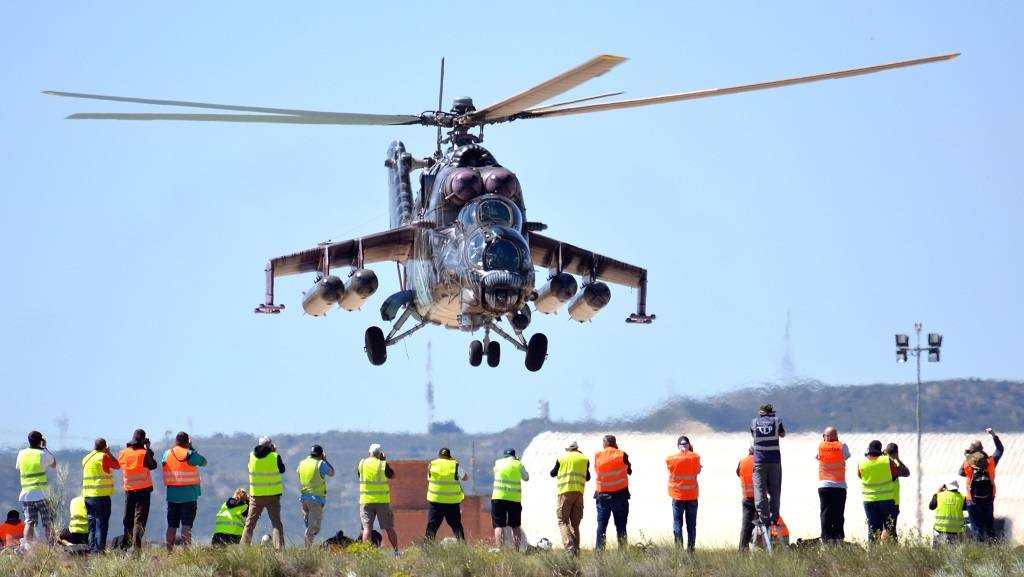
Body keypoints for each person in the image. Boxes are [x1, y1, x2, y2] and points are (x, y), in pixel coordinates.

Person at [162, 431, 207, 552]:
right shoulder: (190, 454)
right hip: (189, 496)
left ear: (176, 441)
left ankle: (169, 552)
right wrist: (190, 448)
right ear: (187, 442)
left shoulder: (167, 454)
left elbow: (164, 463)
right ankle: (187, 552)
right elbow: (204, 462)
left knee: (171, 525)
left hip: (172, 496)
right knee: (186, 525)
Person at [958, 427, 1004, 542]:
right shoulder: (991, 461)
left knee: (976, 529)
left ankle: (979, 550)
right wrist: (993, 435)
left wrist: (967, 456)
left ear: (972, 450)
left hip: (972, 500)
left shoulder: (967, 463)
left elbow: (960, 473)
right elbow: (1000, 449)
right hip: (988, 498)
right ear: (982, 449)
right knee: (989, 528)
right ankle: (994, 548)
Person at [241, 436, 286, 550]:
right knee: (276, 523)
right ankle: (279, 549)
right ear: (270, 446)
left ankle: (243, 549)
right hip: (272, 496)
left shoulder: (251, 456)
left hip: (256, 497)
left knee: (249, 524)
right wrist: (274, 452)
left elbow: (249, 468)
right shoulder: (275, 456)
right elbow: (282, 469)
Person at [117, 428, 158, 551]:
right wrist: (148, 449)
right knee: (139, 519)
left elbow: (121, 464)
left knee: (128, 517)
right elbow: (153, 465)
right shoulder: (144, 453)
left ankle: (125, 545)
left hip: (129, 490)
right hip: (143, 490)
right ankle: (136, 548)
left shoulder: (123, 453)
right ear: (143, 440)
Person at [750, 403, 785, 540]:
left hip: (759, 461)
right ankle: (774, 518)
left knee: (760, 490)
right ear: (771, 412)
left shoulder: (754, 422)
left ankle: (763, 518)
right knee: (775, 491)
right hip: (775, 461)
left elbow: (754, 434)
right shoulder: (777, 421)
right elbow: (782, 434)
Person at [357, 443, 400, 555]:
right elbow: (392, 475)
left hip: (366, 501)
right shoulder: (382, 464)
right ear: (380, 454)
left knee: (367, 529)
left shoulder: (361, 464)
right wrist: (384, 461)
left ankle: (366, 554)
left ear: (369, 454)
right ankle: (396, 552)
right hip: (382, 502)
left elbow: (359, 476)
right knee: (389, 528)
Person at [549, 440, 590, 555]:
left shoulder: (562, 458)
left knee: (562, 521)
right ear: (577, 448)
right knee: (575, 524)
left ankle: (570, 548)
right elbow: (588, 477)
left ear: (567, 449)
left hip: (565, 493)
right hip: (579, 494)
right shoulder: (584, 459)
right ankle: (576, 550)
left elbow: (552, 473)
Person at [15, 430, 56, 544]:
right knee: (48, 523)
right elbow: (54, 464)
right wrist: (45, 447)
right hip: (42, 494)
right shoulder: (43, 453)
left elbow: (18, 466)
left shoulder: (21, 453)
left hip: (26, 495)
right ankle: (51, 547)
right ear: (41, 441)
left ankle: (27, 548)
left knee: (29, 522)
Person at [594, 434, 632, 550]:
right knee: (621, 527)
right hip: (620, 497)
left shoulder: (598, 455)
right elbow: (629, 471)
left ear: (604, 444)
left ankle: (600, 554)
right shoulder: (622, 454)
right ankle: (623, 552)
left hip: (603, 497)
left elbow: (597, 470)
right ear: (615, 443)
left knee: (602, 527)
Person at [82, 437, 120, 552]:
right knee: (101, 524)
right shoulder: (103, 457)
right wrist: (108, 452)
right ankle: (99, 551)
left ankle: (91, 548)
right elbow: (117, 465)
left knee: (92, 524)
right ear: (104, 447)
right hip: (100, 496)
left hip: (87, 496)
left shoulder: (86, 458)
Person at [857, 440, 898, 543]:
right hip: (887, 500)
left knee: (873, 530)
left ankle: (873, 554)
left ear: (868, 450)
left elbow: (860, 476)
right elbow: (894, 475)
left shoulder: (861, 463)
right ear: (880, 450)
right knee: (889, 529)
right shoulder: (887, 461)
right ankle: (892, 554)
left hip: (869, 501)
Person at [666, 435, 701, 551]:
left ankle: (678, 550)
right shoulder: (695, 457)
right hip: (692, 497)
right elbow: (698, 471)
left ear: (678, 446)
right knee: (691, 525)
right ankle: (691, 550)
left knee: (677, 523)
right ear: (689, 445)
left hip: (677, 496)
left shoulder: (671, 459)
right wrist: (690, 451)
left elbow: (671, 470)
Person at [425, 447, 468, 541]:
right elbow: (465, 478)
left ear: (439, 456)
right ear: (449, 456)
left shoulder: (432, 465)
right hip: (451, 502)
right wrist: (454, 461)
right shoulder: (455, 465)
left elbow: (429, 479)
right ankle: (462, 545)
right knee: (456, 525)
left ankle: (427, 547)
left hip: (436, 501)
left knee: (432, 525)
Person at [816, 426, 850, 543]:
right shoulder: (842, 445)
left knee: (825, 513)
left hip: (824, 485)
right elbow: (846, 456)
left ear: (826, 436)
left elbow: (817, 457)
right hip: (839, 486)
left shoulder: (820, 446)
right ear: (836, 436)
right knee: (838, 513)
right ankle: (838, 537)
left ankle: (826, 538)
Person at [297, 444, 335, 546]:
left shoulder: (302, 463)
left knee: (310, 527)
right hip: (315, 500)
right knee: (313, 528)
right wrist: (325, 460)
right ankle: (307, 552)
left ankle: (308, 549)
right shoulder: (320, 464)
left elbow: (299, 474)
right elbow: (332, 473)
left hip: (304, 499)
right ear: (321, 454)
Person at [491, 448, 529, 549]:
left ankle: (500, 549)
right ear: (514, 456)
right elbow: (526, 478)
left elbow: (495, 472)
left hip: (498, 497)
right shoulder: (518, 464)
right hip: (514, 499)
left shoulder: (498, 463)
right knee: (515, 525)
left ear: (504, 456)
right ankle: (516, 550)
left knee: (498, 525)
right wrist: (517, 461)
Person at [883, 442, 911, 541]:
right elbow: (907, 472)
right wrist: (898, 459)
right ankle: (892, 548)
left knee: (883, 527)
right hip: (893, 500)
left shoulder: (880, 463)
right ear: (895, 453)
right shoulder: (892, 464)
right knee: (891, 528)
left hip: (880, 498)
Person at [930, 479, 967, 546]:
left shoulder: (938, 496)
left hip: (940, 530)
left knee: (937, 552)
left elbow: (931, 507)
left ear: (946, 487)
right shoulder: (962, 497)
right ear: (957, 487)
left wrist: (938, 492)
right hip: (956, 531)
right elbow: (966, 508)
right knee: (955, 553)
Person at [736, 446, 757, 550]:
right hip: (760, 499)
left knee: (746, 527)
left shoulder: (742, 462)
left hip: (747, 499)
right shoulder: (761, 461)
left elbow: (738, 473)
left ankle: (742, 550)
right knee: (764, 525)